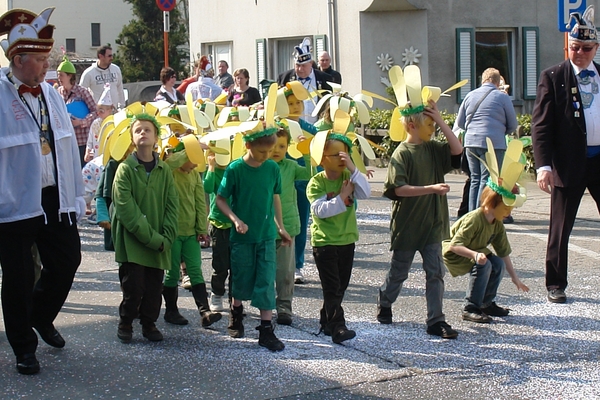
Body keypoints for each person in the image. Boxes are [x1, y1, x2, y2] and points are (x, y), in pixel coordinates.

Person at [0, 6, 85, 375]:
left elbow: (65, 147)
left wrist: (77, 195)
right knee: (18, 278)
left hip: (54, 196)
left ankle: (40, 314)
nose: (47, 64)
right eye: (39, 58)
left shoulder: (51, 94)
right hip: (14, 202)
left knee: (67, 261)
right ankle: (23, 347)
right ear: (18, 60)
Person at [377, 97, 463, 339]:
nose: (433, 131)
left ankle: (436, 320)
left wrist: (440, 120)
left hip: (433, 224)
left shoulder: (433, 148)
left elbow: (457, 149)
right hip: (408, 224)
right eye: (430, 126)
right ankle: (385, 299)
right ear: (413, 126)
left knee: (435, 272)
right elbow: (398, 190)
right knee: (399, 272)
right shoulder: (401, 154)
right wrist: (431, 188)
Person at [532, 5, 600, 304]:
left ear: (596, 48)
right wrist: (543, 165)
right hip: (568, 162)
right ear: (567, 46)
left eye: (587, 48)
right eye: (575, 47)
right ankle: (555, 283)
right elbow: (541, 125)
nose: (581, 53)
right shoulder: (554, 76)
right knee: (560, 228)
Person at [216, 126, 291, 351]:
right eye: (261, 152)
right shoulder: (235, 169)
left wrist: (280, 226)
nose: (266, 156)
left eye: (269, 151)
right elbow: (220, 199)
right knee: (241, 277)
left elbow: (275, 197)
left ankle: (266, 329)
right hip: (242, 237)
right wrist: (235, 220)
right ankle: (236, 314)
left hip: (266, 235)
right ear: (248, 145)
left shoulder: (271, 168)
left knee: (267, 280)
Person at [443, 141, 529, 323]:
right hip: (456, 253)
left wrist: (515, 279)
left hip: (475, 252)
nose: (509, 213)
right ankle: (470, 307)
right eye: (506, 208)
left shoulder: (497, 222)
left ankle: (486, 303)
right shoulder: (475, 218)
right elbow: (454, 245)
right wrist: (475, 255)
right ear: (492, 203)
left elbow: (504, 253)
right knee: (485, 264)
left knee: (497, 263)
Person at [112, 113, 179, 343]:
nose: (143, 133)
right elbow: (126, 210)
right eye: (138, 130)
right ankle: (126, 322)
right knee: (134, 288)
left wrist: (167, 238)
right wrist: (152, 238)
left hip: (160, 242)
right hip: (133, 243)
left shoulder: (165, 171)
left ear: (156, 136)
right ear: (132, 137)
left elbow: (172, 206)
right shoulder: (125, 170)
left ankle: (149, 324)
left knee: (153, 290)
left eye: (148, 129)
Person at [307, 125, 371, 344]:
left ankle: (326, 320)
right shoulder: (316, 182)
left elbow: (366, 192)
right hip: (325, 242)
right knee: (332, 287)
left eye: (345, 153)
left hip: (347, 239)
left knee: (341, 286)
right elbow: (319, 211)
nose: (342, 159)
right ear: (322, 158)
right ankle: (338, 327)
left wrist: (354, 168)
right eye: (336, 154)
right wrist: (342, 196)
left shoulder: (349, 176)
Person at [162, 137, 222, 327]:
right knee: (171, 274)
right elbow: (170, 161)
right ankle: (171, 311)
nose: (196, 163)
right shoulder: (169, 171)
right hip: (171, 233)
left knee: (195, 271)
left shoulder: (194, 174)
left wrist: (201, 229)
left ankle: (205, 312)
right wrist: (191, 148)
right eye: (193, 158)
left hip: (190, 234)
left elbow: (199, 202)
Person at [456, 68, 517, 212]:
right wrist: (501, 132)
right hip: (493, 143)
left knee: (475, 179)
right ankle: (480, 216)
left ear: (482, 80)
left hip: (471, 142)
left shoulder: (470, 95)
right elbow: (513, 124)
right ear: (497, 82)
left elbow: (460, 123)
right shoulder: (502, 97)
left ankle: (471, 214)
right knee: (487, 179)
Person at [270, 128, 312, 325]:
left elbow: (310, 174)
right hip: (265, 227)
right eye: (273, 145)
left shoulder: (291, 166)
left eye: (282, 146)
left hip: (289, 225)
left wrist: (307, 152)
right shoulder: (261, 166)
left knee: (286, 272)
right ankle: (265, 305)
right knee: (265, 269)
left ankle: (284, 307)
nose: (277, 150)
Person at [278, 37, 333, 124]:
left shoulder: (325, 78)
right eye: (297, 65)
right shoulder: (285, 78)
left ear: (310, 63)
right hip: (293, 126)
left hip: (318, 127)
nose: (300, 69)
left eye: (303, 66)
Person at [57, 55, 98, 167]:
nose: (59, 78)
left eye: (61, 75)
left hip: (82, 141)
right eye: (58, 75)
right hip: (66, 140)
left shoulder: (82, 92)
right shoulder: (58, 92)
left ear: (70, 76)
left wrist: (81, 122)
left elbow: (95, 111)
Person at [204, 151, 232, 312]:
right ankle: (216, 293)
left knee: (237, 265)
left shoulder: (234, 170)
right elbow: (207, 187)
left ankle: (235, 300)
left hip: (236, 224)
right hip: (219, 224)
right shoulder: (214, 172)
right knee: (220, 264)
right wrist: (211, 166)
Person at [85, 83, 114, 163]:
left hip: (110, 158)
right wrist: (88, 151)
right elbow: (90, 140)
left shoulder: (113, 122)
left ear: (110, 110)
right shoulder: (95, 123)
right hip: (97, 158)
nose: (99, 113)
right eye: (98, 111)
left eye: (102, 111)